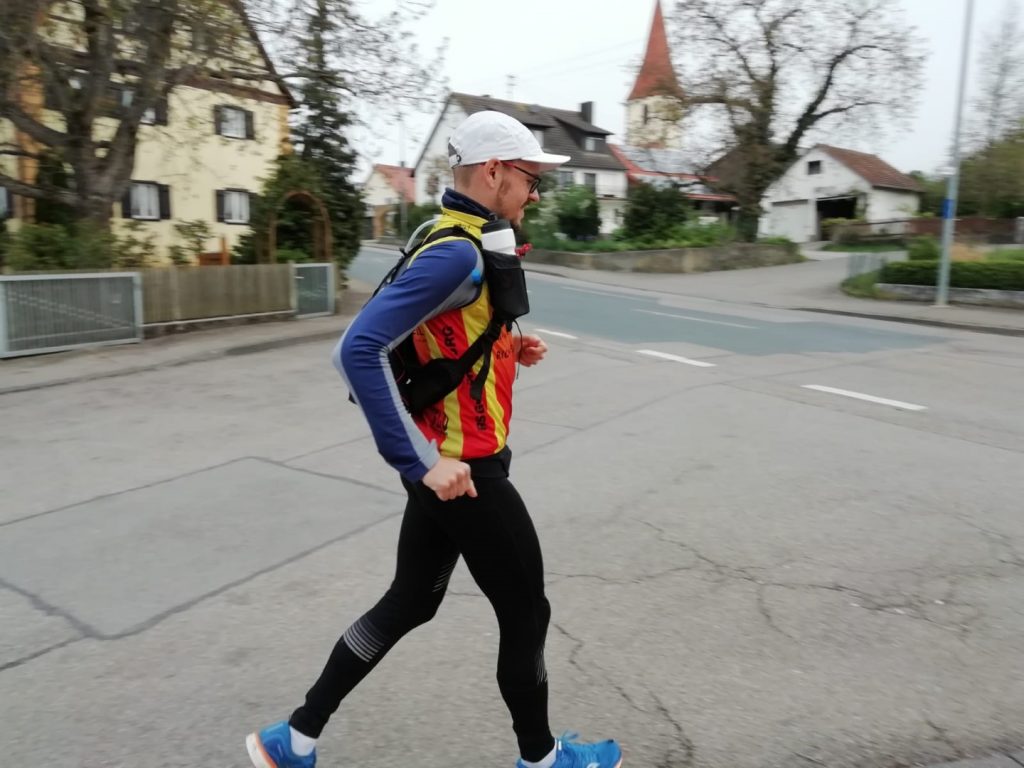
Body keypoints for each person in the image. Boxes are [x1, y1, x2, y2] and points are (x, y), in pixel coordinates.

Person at [245, 110, 623, 768]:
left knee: (410, 603)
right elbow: (356, 351)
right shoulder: (456, 251)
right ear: (494, 171)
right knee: (527, 612)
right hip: (464, 472)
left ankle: (293, 739)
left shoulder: (462, 235)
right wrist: (422, 463)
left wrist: (509, 346)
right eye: (532, 180)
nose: (536, 194)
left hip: (453, 464)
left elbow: (447, 334)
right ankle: (541, 759)